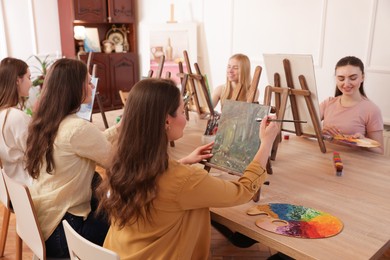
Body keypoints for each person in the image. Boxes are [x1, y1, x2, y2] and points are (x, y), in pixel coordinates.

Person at [98, 78, 279, 259]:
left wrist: (183, 162)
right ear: (167, 121)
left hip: (121, 253)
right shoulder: (185, 180)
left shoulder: (121, 164)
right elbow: (243, 190)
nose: (185, 118)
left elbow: (162, 185)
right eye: (183, 111)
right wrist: (266, 143)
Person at [25, 58, 119, 257]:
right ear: (74, 88)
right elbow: (118, 163)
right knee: (126, 224)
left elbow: (91, 141)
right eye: (87, 82)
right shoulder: (77, 129)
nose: (92, 86)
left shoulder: (49, 121)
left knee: (96, 182)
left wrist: (120, 128)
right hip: (66, 232)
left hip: (46, 224)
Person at [320, 56, 384, 154]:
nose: (346, 83)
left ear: (362, 77)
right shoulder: (328, 103)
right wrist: (320, 131)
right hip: (325, 159)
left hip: (354, 165)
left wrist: (362, 142)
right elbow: (305, 130)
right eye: (341, 79)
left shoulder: (372, 110)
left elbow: (380, 151)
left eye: (353, 78)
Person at [0, 57, 32, 185]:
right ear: (18, 80)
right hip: (29, 184)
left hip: (14, 186)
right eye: (29, 77)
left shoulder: (3, 114)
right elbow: (38, 154)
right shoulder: (16, 117)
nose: (31, 83)